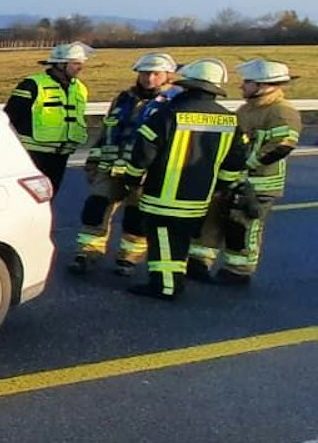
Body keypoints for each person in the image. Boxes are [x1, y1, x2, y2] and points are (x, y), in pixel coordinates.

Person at [110, 58, 246, 301]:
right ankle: (174, 280)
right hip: (198, 199)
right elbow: (234, 162)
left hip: (163, 195)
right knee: (180, 242)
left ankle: (166, 286)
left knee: (162, 240)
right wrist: (220, 187)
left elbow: (144, 152)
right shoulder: (229, 120)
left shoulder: (168, 113)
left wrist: (132, 179)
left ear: (188, 86)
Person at [190, 58, 300, 287]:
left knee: (242, 227)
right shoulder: (246, 109)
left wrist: (245, 164)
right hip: (233, 179)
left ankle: (238, 271)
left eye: (248, 82)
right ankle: (199, 263)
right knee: (212, 220)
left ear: (264, 85)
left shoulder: (282, 112)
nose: (242, 86)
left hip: (259, 185)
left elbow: (282, 146)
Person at [70, 52, 177, 274]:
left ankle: (129, 258)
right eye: (144, 73)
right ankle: (88, 252)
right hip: (111, 168)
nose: (149, 78)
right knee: (95, 208)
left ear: (168, 75)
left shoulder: (173, 103)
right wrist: (94, 161)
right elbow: (107, 131)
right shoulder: (123, 98)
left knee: (135, 218)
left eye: (156, 74)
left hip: (146, 173)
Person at [4, 41, 92, 191]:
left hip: (62, 155)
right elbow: (11, 116)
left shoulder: (79, 88)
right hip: (34, 155)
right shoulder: (32, 84)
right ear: (60, 64)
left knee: (50, 196)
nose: (80, 67)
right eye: (76, 63)